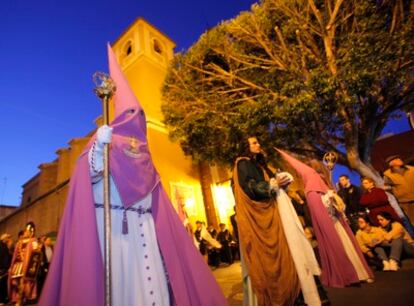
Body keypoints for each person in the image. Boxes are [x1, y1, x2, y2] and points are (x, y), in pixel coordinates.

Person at [39, 45, 227, 306]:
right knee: (124, 291)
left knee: (154, 290)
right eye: (130, 113)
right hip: (117, 233)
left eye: (139, 113)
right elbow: (88, 175)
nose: (135, 118)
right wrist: (98, 150)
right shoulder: (103, 139)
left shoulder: (147, 152)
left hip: (146, 232)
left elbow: (157, 196)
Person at [234, 137, 322, 306]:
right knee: (273, 257)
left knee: (289, 249)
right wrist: (271, 186)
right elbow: (250, 186)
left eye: (258, 142)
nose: (258, 145)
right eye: (254, 143)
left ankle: (297, 292)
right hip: (262, 218)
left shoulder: (258, 163)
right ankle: (283, 295)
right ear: (245, 147)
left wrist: (280, 181)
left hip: (275, 211)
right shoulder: (243, 163)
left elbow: (270, 181)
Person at [277, 149, 374, 288]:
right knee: (339, 249)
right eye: (317, 172)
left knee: (348, 248)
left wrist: (333, 196)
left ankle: (360, 273)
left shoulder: (325, 188)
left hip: (337, 224)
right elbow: (321, 211)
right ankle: (348, 275)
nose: (319, 175)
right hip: (330, 226)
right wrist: (329, 197)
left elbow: (338, 207)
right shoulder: (311, 192)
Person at [8, 222, 39, 305]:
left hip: (27, 266)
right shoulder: (19, 242)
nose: (26, 232)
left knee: (24, 283)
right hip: (17, 265)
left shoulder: (33, 241)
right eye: (25, 231)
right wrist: (11, 266)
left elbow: (36, 253)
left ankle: (20, 299)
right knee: (15, 282)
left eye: (28, 231)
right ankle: (20, 298)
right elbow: (15, 255)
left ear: (31, 232)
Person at [383, 155, 414, 224]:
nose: (399, 159)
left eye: (399, 158)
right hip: (405, 202)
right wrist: (398, 192)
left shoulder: (412, 169)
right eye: (396, 159)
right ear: (391, 163)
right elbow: (387, 187)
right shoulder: (388, 175)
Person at [0, 234, 12, 305]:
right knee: (1, 284)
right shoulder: (2, 246)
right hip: (2, 268)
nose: (8, 239)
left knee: (4, 284)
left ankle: (4, 299)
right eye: (8, 238)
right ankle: (1, 300)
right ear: (4, 239)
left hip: (4, 268)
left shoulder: (4, 246)